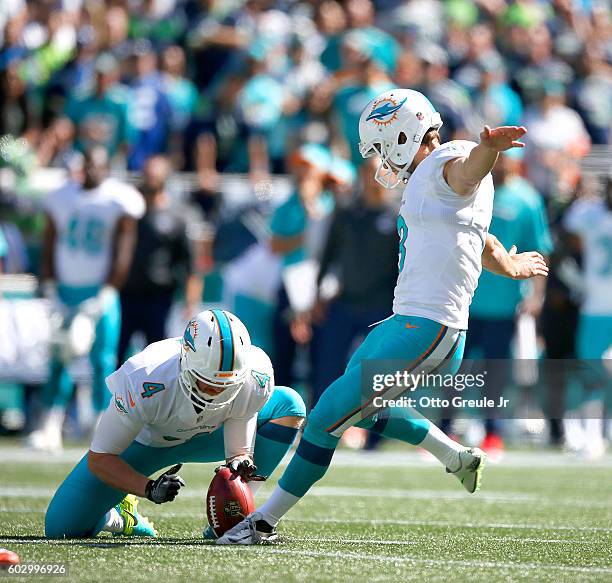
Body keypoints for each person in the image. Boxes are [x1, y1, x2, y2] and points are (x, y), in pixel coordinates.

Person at [217, 88, 548, 544]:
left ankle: (262, 522)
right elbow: (480, 237)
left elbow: (467, 171)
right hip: (406, 321)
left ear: (403, 134)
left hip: (428, 327)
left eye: (379, 146)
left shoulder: (450, 160)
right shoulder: (428, 179)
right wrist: (509, 265)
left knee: (325, 416)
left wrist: (487, 149)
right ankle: (456, 457)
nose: (379, 160)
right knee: (364, 411)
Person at [44, 309, 305, 539]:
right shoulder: (145, 377)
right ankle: (120, 515)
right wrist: (148, 488)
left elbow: (242, 416)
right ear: (186, 363)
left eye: (227, 386)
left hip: (211, 435)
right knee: (61, 527)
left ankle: (234, 519)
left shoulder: (255, 373)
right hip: (147, 446)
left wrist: (240, 458)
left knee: (290, 405)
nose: (217, 393)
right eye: (208, 383)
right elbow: (101, 457)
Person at [27, 146, 145, 452]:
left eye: (98, 166)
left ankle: (100, 426)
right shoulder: (61, 196)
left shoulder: (119, 199)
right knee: (59, 357)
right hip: (66, 290)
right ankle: (50, 424)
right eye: (89, 165)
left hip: (99, 291)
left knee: (103, 361)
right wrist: (50, 284)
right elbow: (50, 240)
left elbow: (125, 246)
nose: (93, 171)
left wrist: (108, 289)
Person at [118, 155, 203, 364]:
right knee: (116, 357)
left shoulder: (177, 215)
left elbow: (191, 263)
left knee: (159, 360)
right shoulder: (130, 211)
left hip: (158, 298)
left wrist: (191, 301)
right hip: (127, 294)